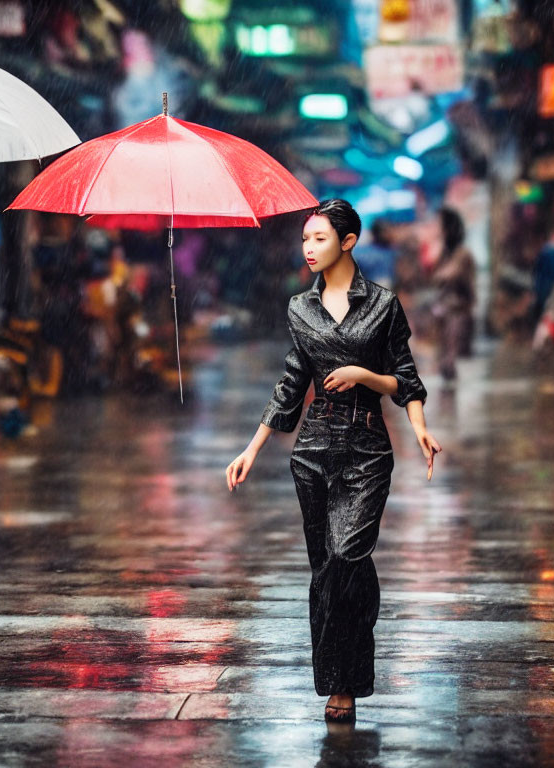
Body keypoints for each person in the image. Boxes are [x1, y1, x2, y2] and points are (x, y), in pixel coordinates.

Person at [225, 199, 441, 723]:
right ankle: (337, 683)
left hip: (367, 450)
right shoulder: (300, 308)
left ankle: (354, 652)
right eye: (304, 240)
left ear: (348, 241)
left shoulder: (384, 304)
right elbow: (291, 381)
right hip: (312, 453)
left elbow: (403, 378)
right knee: (326, 570)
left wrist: (413, 423)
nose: (308, 249)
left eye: (318, 239)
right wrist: (252, 447)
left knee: (347, 557)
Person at [432, 207, 475, 385]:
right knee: (445, 360)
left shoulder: (462, 254)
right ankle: (448, 406)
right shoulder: (446, 253)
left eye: (442, 228)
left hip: (458, 311)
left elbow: (447, 275)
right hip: (446, 310)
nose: (440, 232)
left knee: (450, 360)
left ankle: (450, 406)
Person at [356, 218, 396, 289]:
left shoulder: (393, 251)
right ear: (377, 233)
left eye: (391, 230)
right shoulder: (363, 253)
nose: (390, 233)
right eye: (386, 231)